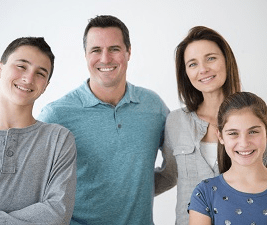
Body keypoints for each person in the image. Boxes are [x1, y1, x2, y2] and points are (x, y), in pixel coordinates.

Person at [38, 15, 169, 225]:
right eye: (96, 50)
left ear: (129, 52)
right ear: (86, 55)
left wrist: (137, 191)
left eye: (115, 49)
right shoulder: (56, 115)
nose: (105, 58)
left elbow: (176, 166)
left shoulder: (153, 107)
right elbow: (35, 187)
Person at [155, 26, 267, 224]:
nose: (203, 69)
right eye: (192, 64)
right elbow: (169, 176)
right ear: (185, 72)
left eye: (211, 58)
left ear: (227, 61)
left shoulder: (265, 125)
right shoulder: (175, 122)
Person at [0, 37, 77, 224]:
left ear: (46, 86)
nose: (28, 78)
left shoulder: (59, 140)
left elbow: (58, 213)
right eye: (21, 66)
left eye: (41, 73)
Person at [188, 91, 267, 224]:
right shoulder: (204, 193)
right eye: (233, 133)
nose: (244, 143)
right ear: (220, 136)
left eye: (253, 132)